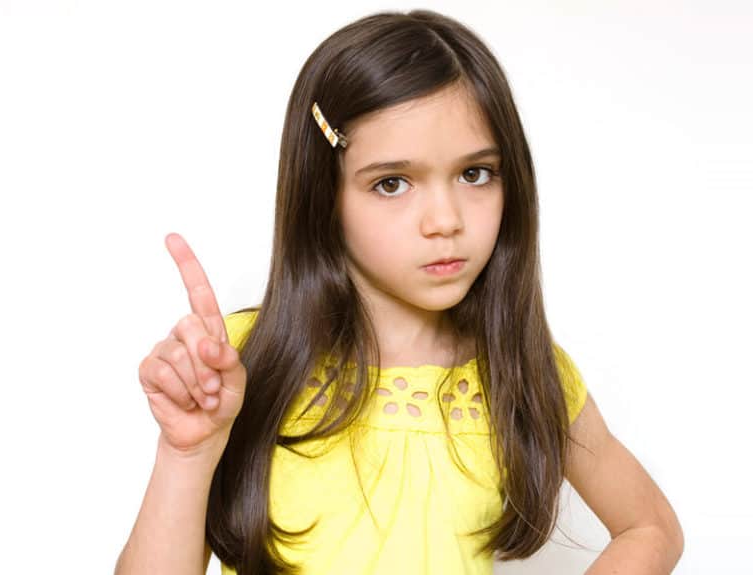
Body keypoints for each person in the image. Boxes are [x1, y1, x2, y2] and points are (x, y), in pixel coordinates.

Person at [115, 9, 683, 575]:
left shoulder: (525, 370)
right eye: (392, 183)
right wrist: (186, 453)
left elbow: (650, 526)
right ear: (324, 192)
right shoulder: (246, 359)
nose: (445, 220)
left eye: (475, 174)